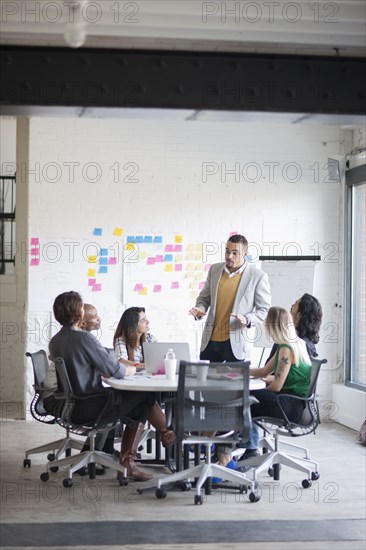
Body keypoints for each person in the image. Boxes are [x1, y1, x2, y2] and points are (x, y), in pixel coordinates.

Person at [49, 291, 175, 482]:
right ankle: (162, 438)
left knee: (142, 402)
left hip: (72, 406)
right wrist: (131, 370)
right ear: (78, 312)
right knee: (146, 397)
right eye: (83, 307)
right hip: (91, 406)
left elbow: (89, 365)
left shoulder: (55, 341)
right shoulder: (85, 339)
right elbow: (117, 370)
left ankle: (146, 450)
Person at [239, 293, 323, 460]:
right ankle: (239, 445)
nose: (292, 305)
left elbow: (277, 385)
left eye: (296, 304)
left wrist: (260, 389)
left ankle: (241, 447)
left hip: (288, 404)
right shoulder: (293, 343)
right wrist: (238, 371)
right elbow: (264, 371)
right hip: (293, 402)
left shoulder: (287, 346)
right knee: (246, 395)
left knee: (242, 397)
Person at [189, 234, 271, 362]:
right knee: (205, 381)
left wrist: (248, 319)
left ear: (245, 253)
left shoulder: (258, 276)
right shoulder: (215, 270)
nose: (229, 256)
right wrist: (200, 309)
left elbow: (264, 310)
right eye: (227, 251)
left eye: (234, 253)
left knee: (233, 382)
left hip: (235, 343)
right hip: (210, 341)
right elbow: (204, 298)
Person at [113, 307, 157, 374]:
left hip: (149, 377)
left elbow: (158, 358)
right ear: (133, 326)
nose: (148, 322)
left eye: (146, 318)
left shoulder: (150, 338)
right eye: (143, 321)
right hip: (131, 379)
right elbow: (122, 361)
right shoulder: (121, 339)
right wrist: (146, 366)